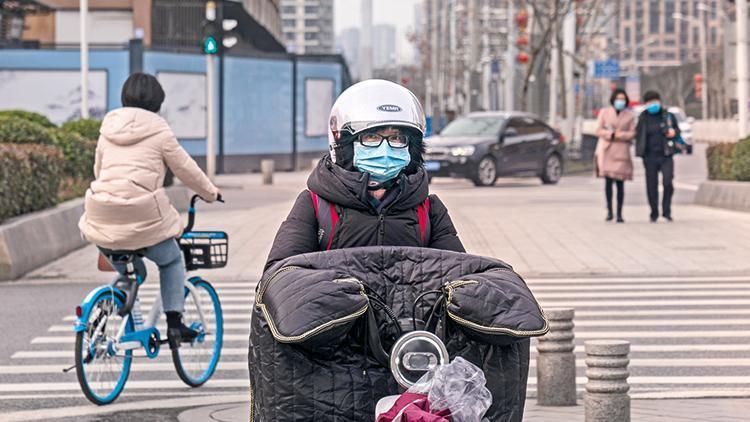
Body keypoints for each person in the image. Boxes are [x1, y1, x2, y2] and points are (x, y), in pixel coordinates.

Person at [78, 72, 220, 348]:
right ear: (158, 101)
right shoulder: (159, 130)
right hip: (142, 215)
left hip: (101, 212)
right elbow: (186, 168)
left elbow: (99, 170)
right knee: (171, 260)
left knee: (132, 268)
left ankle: (108, 310)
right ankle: (175, 323)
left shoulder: (108, 127)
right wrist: (211, 193)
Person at [265, 79, 465, 271]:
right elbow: (279, 277)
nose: (385, 148)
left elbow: (459, 275)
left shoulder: (429, 210)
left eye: (396, 138)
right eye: (371, 137)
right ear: (345, 145)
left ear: (411, 148)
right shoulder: (315, 206)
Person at [635, 90, 681, 222]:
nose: (653, 104)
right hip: (649, 156)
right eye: (650, 102)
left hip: (666, 154)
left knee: (668, 182)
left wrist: (674, 132)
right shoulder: (643, 117)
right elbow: (639, 135)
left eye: (655, 101)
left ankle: (666, 211)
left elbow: (677, 131)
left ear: (659, 101)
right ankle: (654, 211)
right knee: (651, 185)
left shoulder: (667, 115)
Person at [595, 88, 635, 223]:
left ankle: (619, 213)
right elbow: (598, 130)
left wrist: (620, 135)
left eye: (623, 99)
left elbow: (632, 133)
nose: (620, 101)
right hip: (608, 149)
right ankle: (609, 211)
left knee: (620, 184)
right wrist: (609, 135)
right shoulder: (605, 112)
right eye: (618, 99)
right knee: (608, 183)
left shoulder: (629, 115)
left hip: (622, 150)